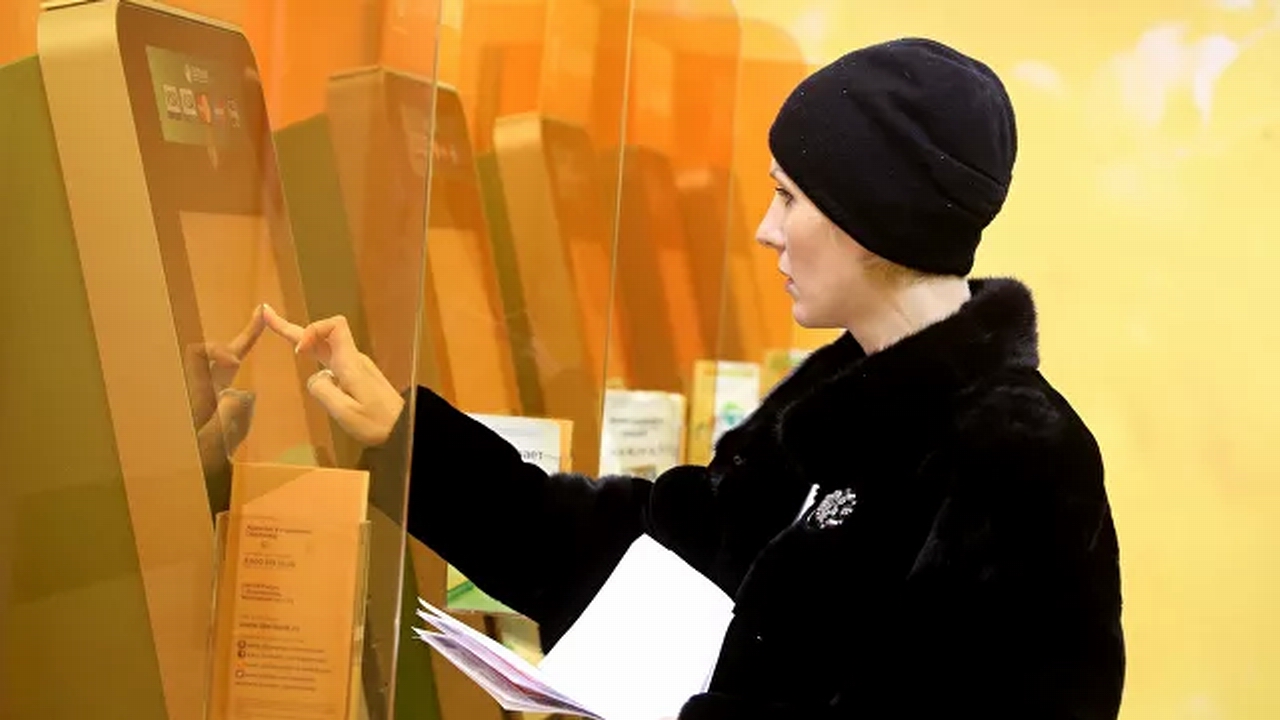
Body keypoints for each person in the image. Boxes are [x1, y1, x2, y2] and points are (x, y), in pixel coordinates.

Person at [264, 37, 1125, 720]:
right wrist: (408, 438)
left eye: (789, 198)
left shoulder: (1020, 457)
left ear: (871, 220)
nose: (765, 230)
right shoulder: (829, 411)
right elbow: (643, 551)